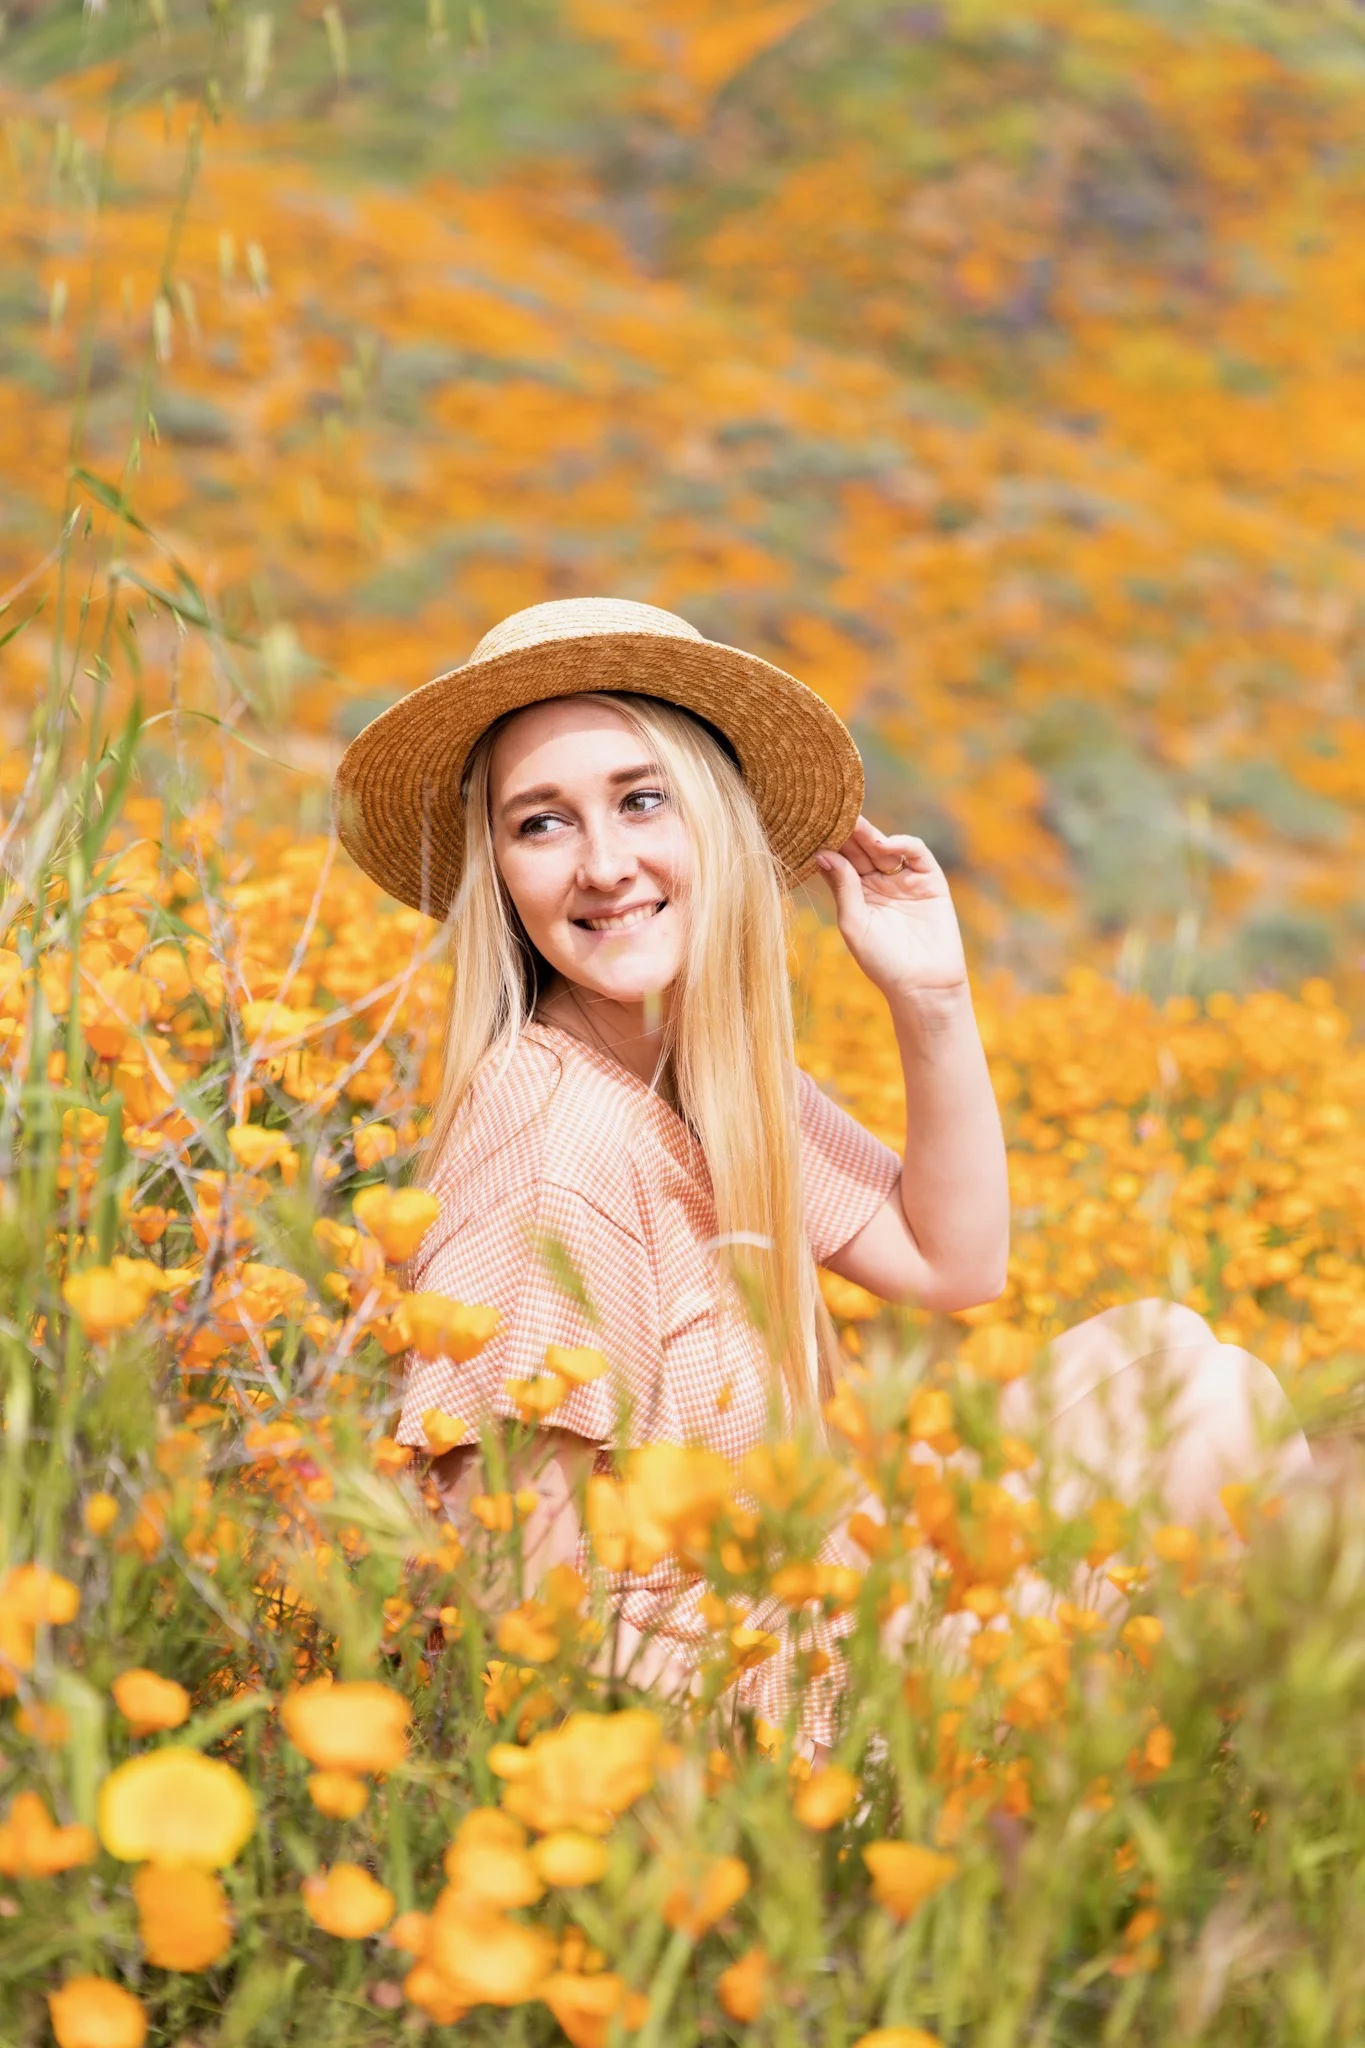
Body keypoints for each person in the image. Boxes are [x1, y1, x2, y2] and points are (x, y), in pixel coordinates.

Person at [333, 596, 1312, 1722]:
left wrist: (932, 999)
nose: (605, 863)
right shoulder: (552, 1147)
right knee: (1211, 1411)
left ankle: (1255, 1770)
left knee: (1165, 1350)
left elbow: (954, 1262)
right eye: (540, 822)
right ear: (497, 869)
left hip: (801, 1594)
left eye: (641, 799)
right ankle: (1266, 1794)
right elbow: (516, 1621)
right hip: (748, 1711)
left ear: (714, 819)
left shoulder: (705, 1072)